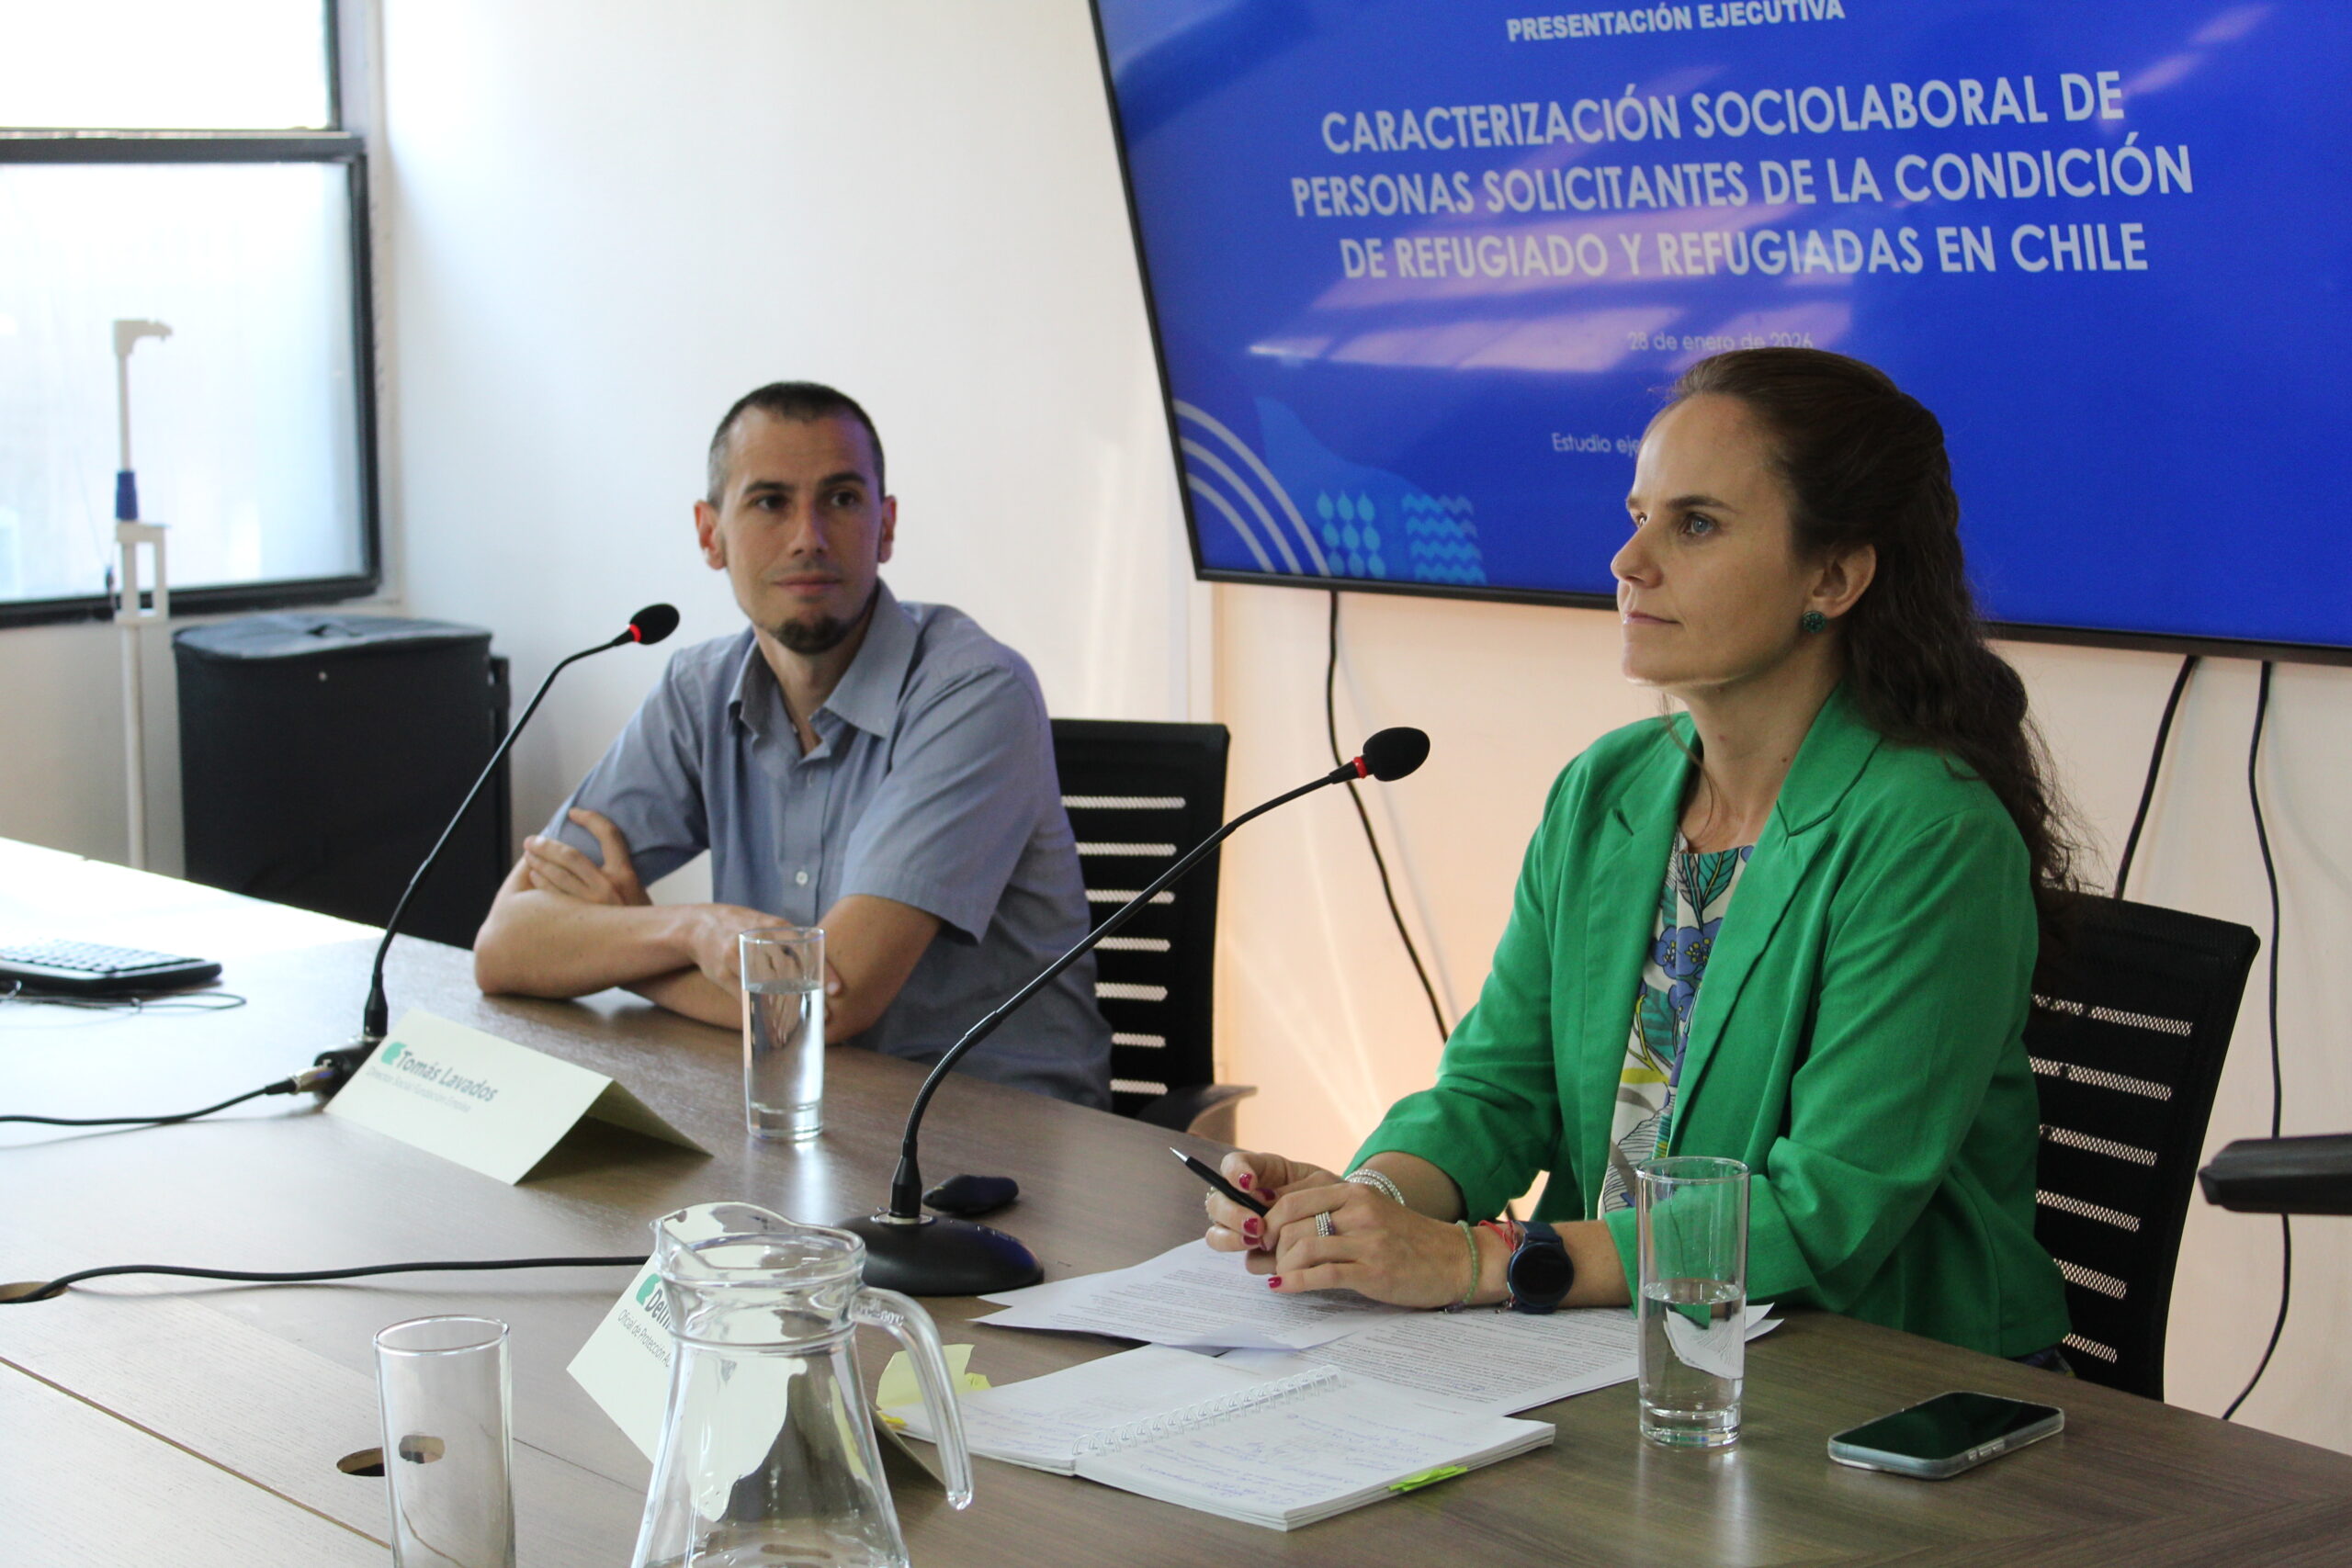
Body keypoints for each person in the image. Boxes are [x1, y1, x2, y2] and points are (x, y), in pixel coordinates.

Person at [1204, 348, 2075, 1359]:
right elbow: (1497, 1091)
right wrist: (1362, 1207)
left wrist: (1479, 1261)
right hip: (1622, 1350)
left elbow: (1822, 1209)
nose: (1628, 561)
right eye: (1638, 516)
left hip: (1874, 1378)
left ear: (1832, 577)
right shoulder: (1606, 789)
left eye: (1695, 524)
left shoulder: (1930, 833)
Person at [472, 381, 1113, 1107]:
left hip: (996, 1134)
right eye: (770, 502)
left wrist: (617, 946)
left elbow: (825, 1003)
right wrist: (689, 930)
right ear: (710, 534)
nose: (808, 535)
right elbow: (504, 945)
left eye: (841, 499)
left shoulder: (974, 691)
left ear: (886, 527)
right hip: (792, 1118)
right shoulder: (698, 691)